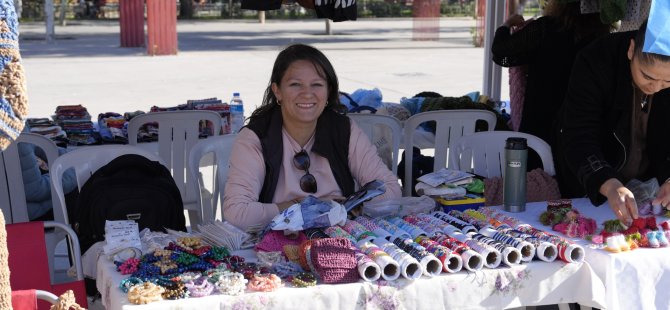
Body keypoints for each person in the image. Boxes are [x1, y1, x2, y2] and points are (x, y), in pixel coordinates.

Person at [223, 43, 402, 230]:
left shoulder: (344, 130)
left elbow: (389, 189)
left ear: (329, 91)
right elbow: (237, 213)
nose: (307, 94)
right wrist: (309, 208)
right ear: (277, 91)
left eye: (316, 84)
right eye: (295, 84)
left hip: (341, 239)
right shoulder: (256, 138)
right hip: (274, 247)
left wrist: (351, 205)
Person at [555, 20, 670, 226]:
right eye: (647, 76)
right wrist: (607, 183)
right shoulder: (596, 61)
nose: (656, 87)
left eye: (667, 81)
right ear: (631, 49)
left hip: (651, 192)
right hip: (591, 188)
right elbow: (578, 134)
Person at [491, 1, 612, 159]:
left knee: (536, 179)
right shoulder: (602, 37)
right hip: (579, 128)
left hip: (539, 125)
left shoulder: (545, 28)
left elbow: (501, 52)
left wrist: (506, 25)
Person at [19, 140, 78, 221]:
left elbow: (35, 146)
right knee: (87, 193)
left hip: (24, 208)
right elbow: (35, 190)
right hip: (27, 216)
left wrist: (75, 155)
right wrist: (77, 171)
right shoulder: (10, 137)